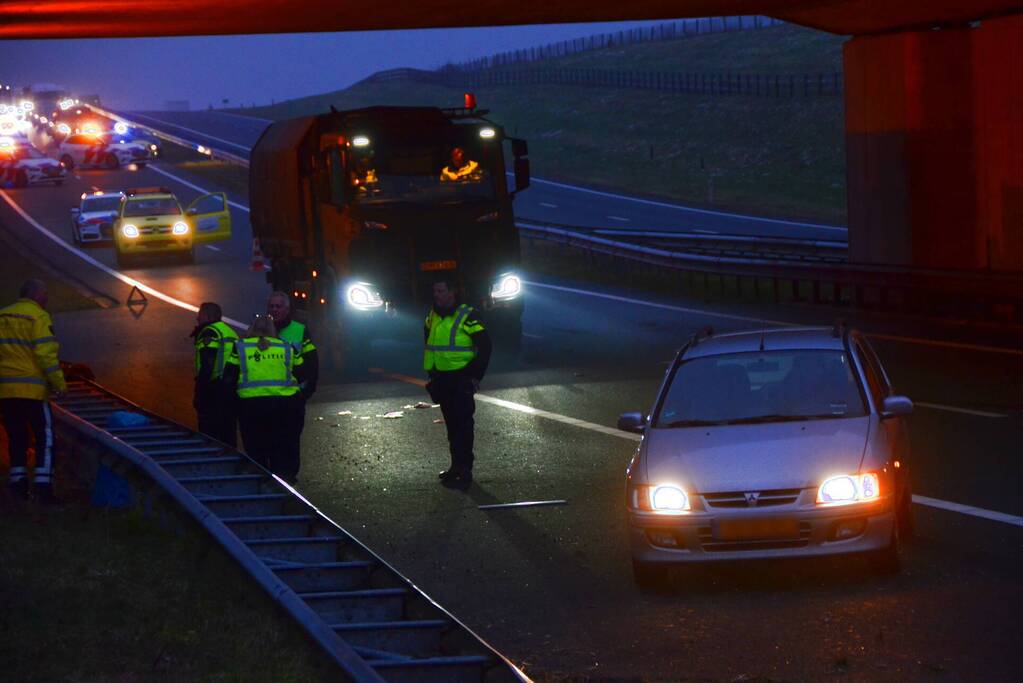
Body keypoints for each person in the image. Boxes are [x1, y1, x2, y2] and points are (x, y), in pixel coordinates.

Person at [0, 279, 66, 500]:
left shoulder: (3, 316)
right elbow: (45, 355)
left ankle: (18, 485)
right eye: (45, 293)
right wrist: (59, 383)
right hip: (33, 392)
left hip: (6, 392)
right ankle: (43, 487)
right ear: (37, 295)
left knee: (16, 436)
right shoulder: (38, 317)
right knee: (45, 438)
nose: (47, 298)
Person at [423, 278, 492, 491]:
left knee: (463, 424)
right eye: (435, 290)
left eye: (441, 290)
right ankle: (455, 466)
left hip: (461, 378)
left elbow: (485, 345)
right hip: (442, 379)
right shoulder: (433, 315)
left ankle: (466, 468)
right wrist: (433, 372)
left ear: (452, 292)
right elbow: (428, 340)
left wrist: (475, 377)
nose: (437, 294)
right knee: (452, 426)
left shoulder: (467, 315)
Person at [224, 315, 305, 482]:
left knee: (256, 450)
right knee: (281, 448)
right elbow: (302, 373)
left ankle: (261, 485)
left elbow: (229, 378)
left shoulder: (239, 347)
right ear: (273, 330)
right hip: (285, 406)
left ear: (251, 329)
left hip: (251, 407)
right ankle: (284, 486)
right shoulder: (286, 346)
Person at [267, 290, 318, 428]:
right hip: (267, 398)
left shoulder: (299, 330)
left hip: (292, 397)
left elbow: (312, 362)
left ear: (287, 309)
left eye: (278, 306)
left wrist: (307, 392)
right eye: (271, 306)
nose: (274, 310)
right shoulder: (262, 331)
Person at [191, 302, 239, 446]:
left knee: (209, 435)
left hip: (214, 389)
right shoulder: (230, 332)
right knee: (228, 433)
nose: (197, 318)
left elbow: (208, 365)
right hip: (230, 388)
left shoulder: (209, 332)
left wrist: (199, 392)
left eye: (199, 314)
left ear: (207, 315)